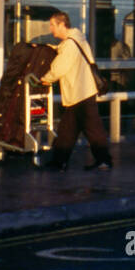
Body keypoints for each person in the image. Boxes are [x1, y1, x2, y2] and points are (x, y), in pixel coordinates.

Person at [40, 11, 112, 171]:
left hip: (81, 94)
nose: (51, 29)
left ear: (62, 24)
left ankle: (103, 160)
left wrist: (46, 79)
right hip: (80, 93)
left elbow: (60, 67)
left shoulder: (70, 44)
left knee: (92, 130)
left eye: (52, 25)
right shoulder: (76, 40)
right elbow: (63, 53)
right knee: (68, 131)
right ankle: (60, 161)